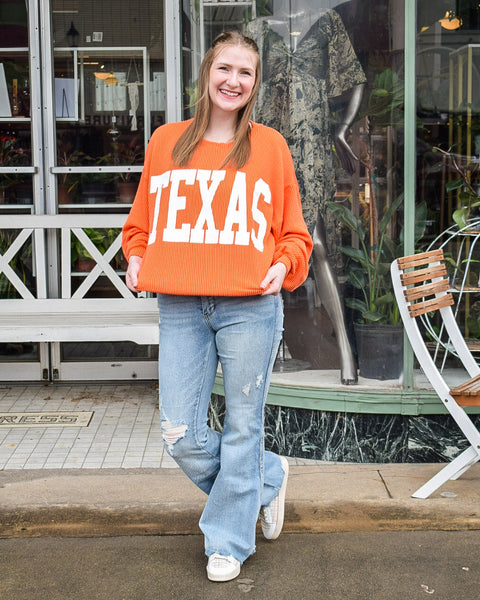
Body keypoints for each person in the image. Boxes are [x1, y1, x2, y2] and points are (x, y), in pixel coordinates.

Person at [122, 30, 312, 583]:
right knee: (179, 433)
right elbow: (141, 224)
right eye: (225, 69)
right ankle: (267, 480)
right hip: (181, 304)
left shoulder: (270, 147)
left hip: (251, 306)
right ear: (206, 74)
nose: (234, 81)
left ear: (255, 84)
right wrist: (136, 256)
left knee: (242, 426)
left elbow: (294, 233)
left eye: (245, 73)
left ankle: (228, 541)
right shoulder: (167, 142)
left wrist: (286, 263)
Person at [246, 3, 367, 384]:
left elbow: (355, 78)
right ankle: (265, 352)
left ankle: (345, 349)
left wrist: (342, 129)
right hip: (263, 144)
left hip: (311, 149)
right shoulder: (257, 28)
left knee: (316, 244)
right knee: (262, 244)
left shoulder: (328, 22)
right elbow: (236, 85)